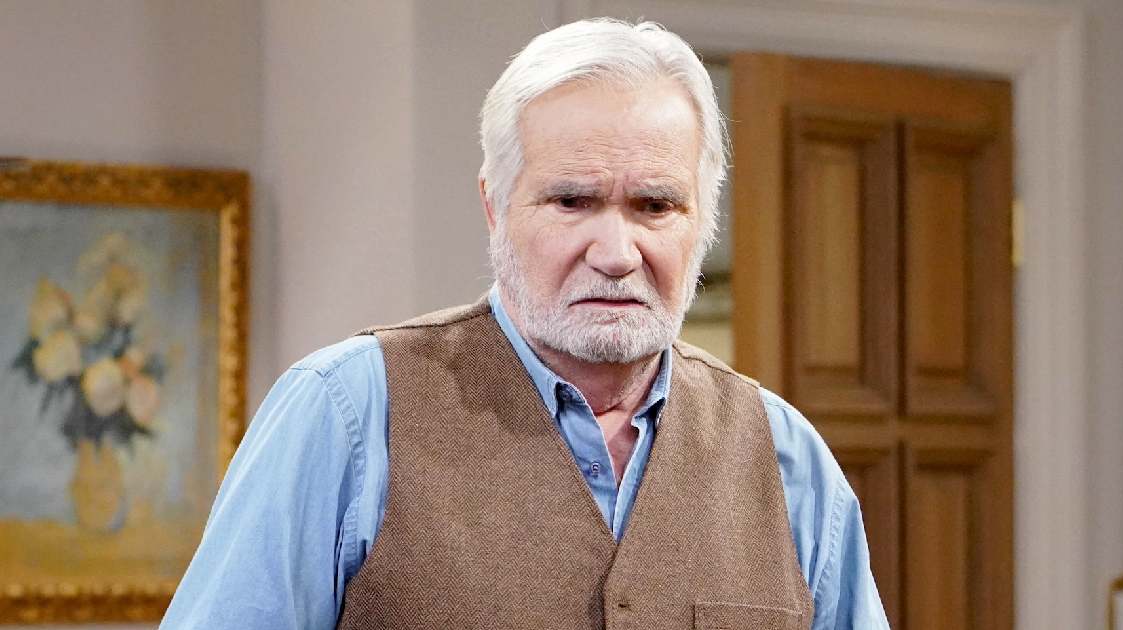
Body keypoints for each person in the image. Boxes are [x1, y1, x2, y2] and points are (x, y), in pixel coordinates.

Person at [161, 18, 888, 630]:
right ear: (495, 206)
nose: (616, 253)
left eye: (655, 206)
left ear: (702, 220)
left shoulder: (787, 460)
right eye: (572, 201)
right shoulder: (347, 412)